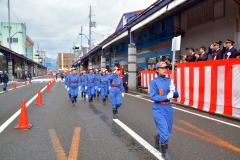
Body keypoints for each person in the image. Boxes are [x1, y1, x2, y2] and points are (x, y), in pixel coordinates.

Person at [149, 62, 179, 157]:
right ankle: (163, 152)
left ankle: (158, 137)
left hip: (168, 107)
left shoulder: (170, 81)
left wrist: (173, 91)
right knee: (165, 133)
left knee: (168, 130)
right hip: (158, 108)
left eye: (165, 67)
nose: (164, 69)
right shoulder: (154, 82)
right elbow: (153, 96)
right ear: (157, 70)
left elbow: (177, 94)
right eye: (162, 68)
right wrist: (166, 96)